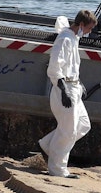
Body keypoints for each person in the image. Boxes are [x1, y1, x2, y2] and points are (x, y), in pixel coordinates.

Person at [38, 9, 97, 178]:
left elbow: (71, 66)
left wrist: (79, 84)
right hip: (65, 88)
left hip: (74, 87)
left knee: (83, 124)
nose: (89, 32)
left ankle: (48, 145)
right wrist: (63, 89)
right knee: (68, 131)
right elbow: (54, 66)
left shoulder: (73, 38)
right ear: (81, 24)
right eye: (89, 28)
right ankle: (57, 169)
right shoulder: (64, 39)